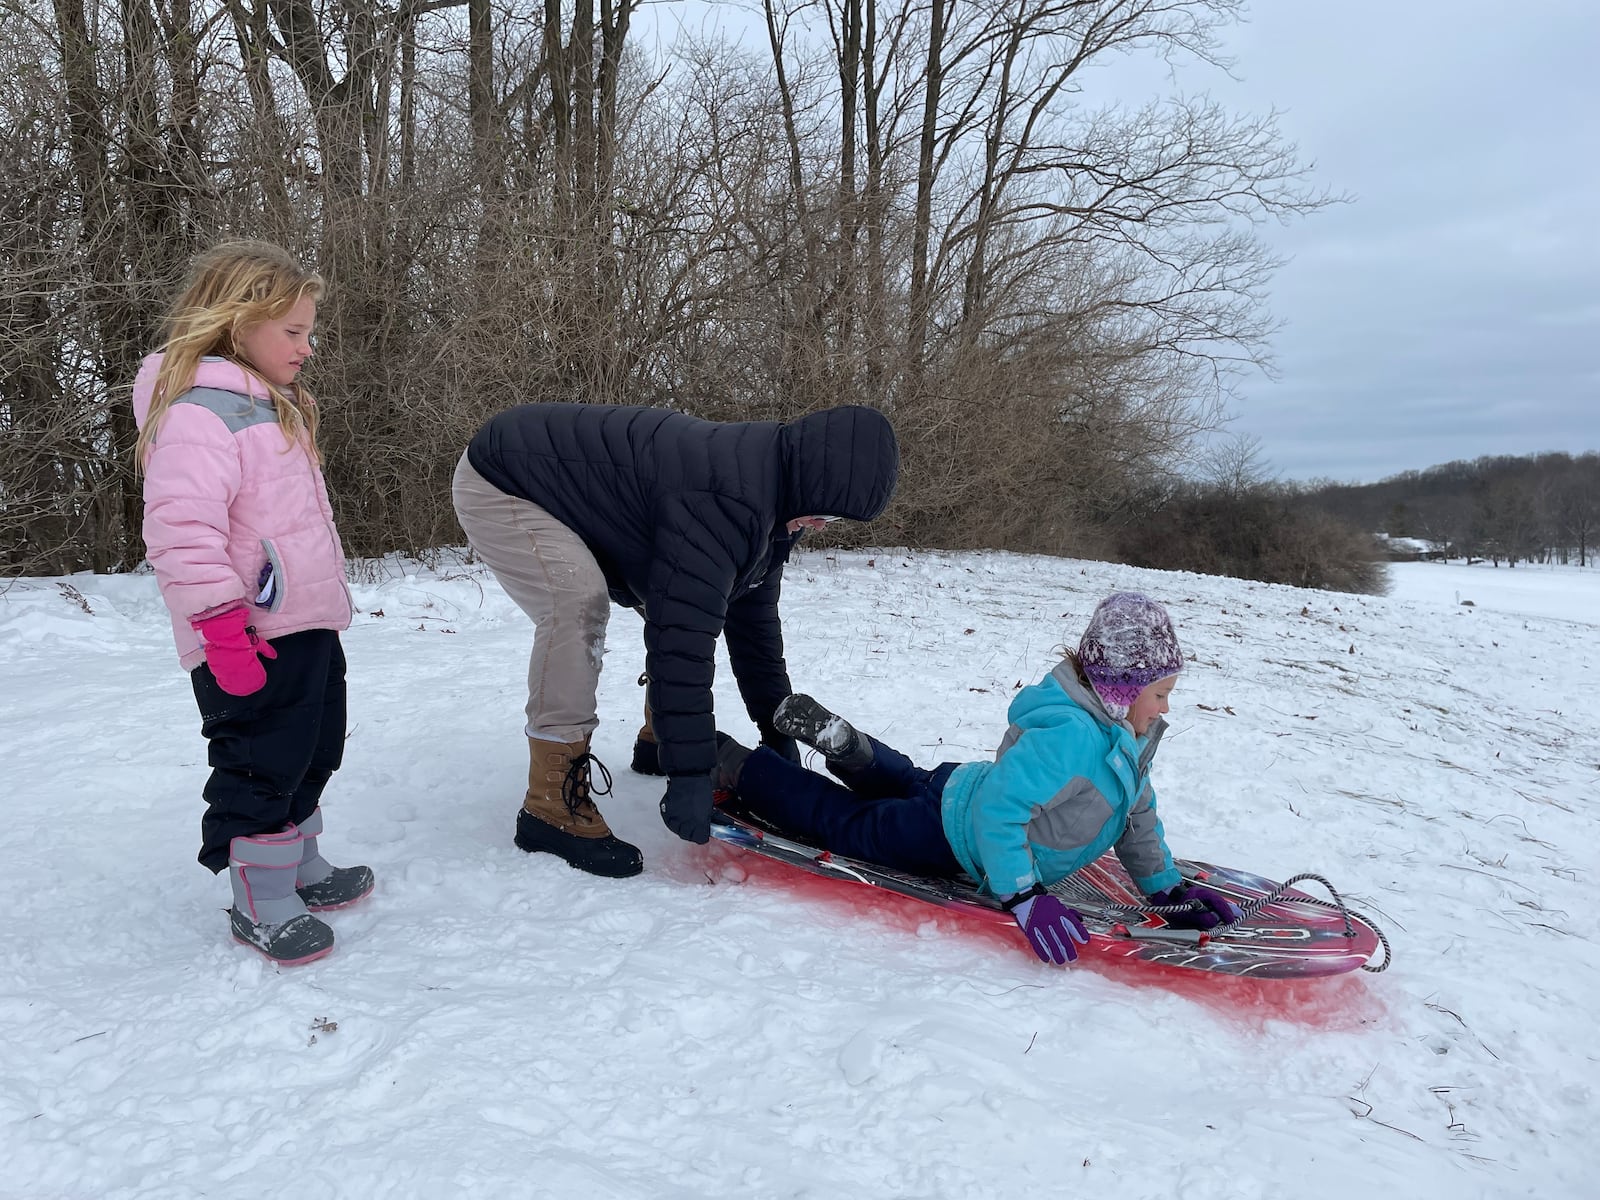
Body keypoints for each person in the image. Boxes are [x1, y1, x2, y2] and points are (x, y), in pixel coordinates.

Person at [452, 402, 899, 878]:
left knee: (682, 594)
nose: (818, 526)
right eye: (826, 514)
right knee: (577, 603)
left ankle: (656, 739)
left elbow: (753, 628)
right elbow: (681, 640)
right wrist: (689, 773)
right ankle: (550, 802)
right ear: (812, 481)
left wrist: (775, 728)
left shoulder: (776, 503)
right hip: (505, 480)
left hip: (569, 485)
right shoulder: (726, 497)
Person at [712, 592, 1240, 966]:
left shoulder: (1125, 739)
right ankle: (740, 764)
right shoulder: (1074, 740)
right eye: (1160, 693)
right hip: (951, 838)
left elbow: (1136, 815)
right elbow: (999, 815)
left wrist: (1167, 889)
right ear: (1124, 689)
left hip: (960, 792)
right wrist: (1023, 895)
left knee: (910, 784)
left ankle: (857, 754)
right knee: (845, 824)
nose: (1166, 707)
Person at [134, 240, 373, 966]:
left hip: (303, 623)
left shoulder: (273, 407)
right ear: (239, 325)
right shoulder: (199, 417)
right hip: (247, 634)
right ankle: (259, 899)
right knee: (260, 759)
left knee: (313, 745)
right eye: (292, 332)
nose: (308, 346)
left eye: (309, 331)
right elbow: (181, 532)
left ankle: (299, 867)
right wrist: (221, 630)